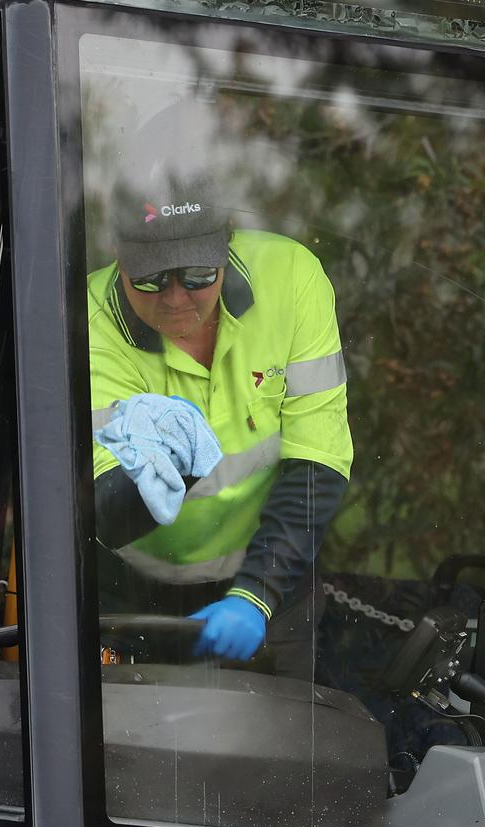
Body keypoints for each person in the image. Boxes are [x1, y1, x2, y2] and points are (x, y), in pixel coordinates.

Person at [89, 172, 353, 679]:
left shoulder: (292, 279)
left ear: (226, 240)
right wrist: (162, 468)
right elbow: (103, 515)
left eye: (196, 276)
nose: (174, 300)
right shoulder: (83, 320)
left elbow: (318, 458)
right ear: (117, 254)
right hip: (134, 591)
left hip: (272, 574)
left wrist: (257, 593)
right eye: (148, 279)